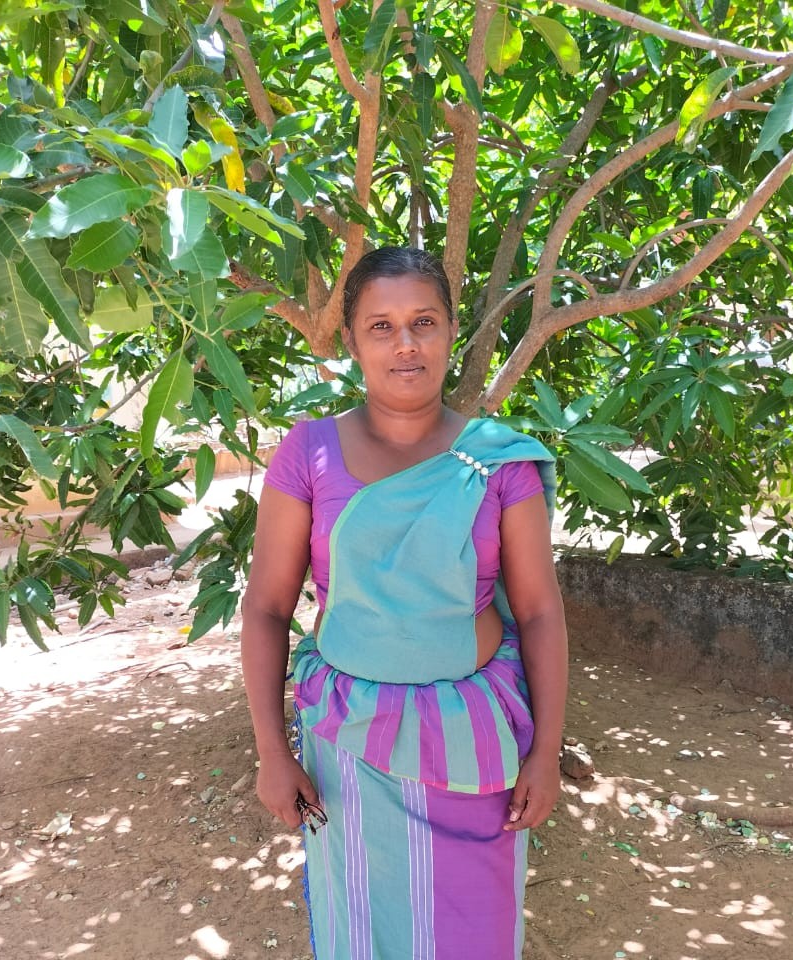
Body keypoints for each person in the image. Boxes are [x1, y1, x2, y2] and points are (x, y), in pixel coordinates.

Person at [240, 246, 568, 959]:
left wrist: (546, 751)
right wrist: (272, 751)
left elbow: (540, 611)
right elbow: (266, 607)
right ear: (351, 340)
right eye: (380, 327)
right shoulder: (310, 453)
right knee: (364, 924)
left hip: (474, 742)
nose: (405, 344)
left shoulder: (499, 460)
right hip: (347, 745)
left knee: (476, 931)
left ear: (452, 329)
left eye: (423, 321)